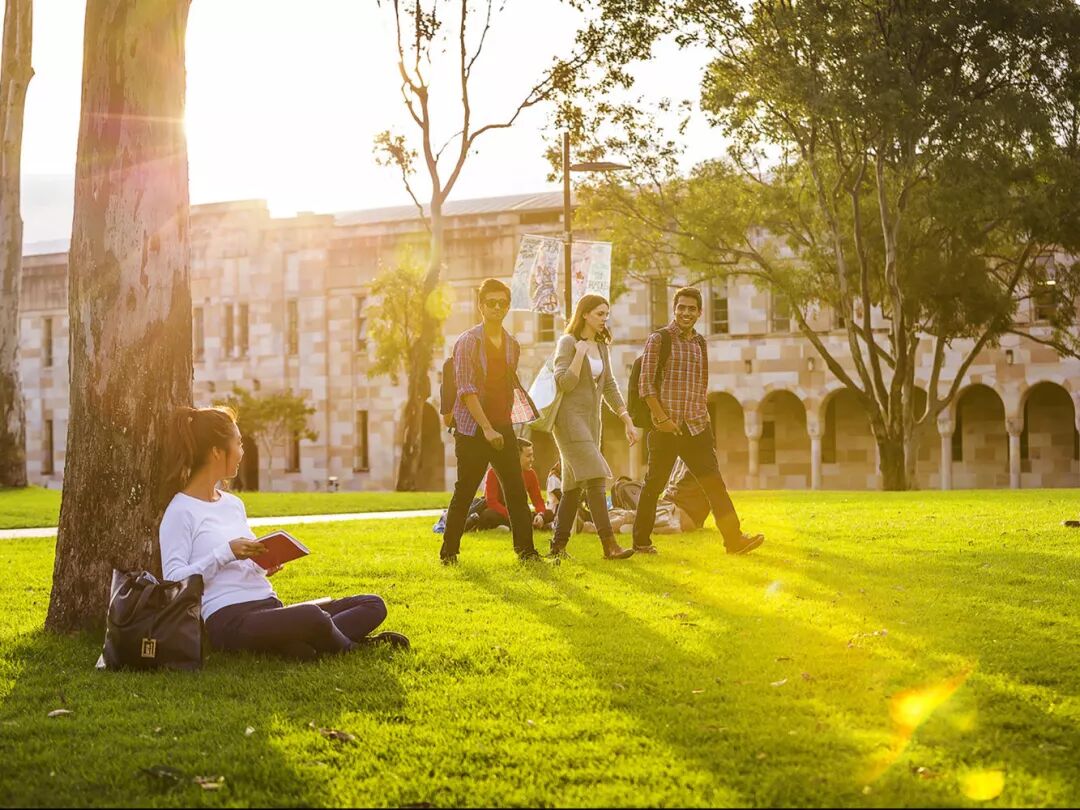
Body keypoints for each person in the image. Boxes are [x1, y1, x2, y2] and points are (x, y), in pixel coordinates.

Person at [159, 406, 409, 660]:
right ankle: (350, 648)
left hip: (270, 607)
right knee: (310, 616)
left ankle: (302, 645)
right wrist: (226, 552)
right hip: (229, 619)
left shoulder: (233, 504)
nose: (242, 452)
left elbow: (245, 563)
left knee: (372, 604)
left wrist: (263, 565)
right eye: (238, 443)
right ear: (216, 452)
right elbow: (173, 584)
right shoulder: (181, 511)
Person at [631, 286, 765, 555]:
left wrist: (703, 419)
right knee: (654, 485)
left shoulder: (700, 343)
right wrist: (662, 419)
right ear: (674, 308)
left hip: (695, 427)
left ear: (700, 312)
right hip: (666, 428)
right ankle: (641, 542)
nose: (686, 313)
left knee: (714, 483)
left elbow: (702, 384)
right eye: (681, 307)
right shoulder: (659, 339)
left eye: (692, 309)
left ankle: (734, 539)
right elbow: (645, 386)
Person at [440, 278, 545, 564]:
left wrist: (505, 423)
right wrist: (486, 428)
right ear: (480, 306)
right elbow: (466, 390)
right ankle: (448, 553)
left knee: (515, 489)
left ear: (508, 307)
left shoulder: (512, 344)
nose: (497, 308)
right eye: (491, 303)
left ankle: (526, 552)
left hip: (503, 427)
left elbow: (507, 385)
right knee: (464, 492)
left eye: (502, 303)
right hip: (473, 429)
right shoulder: (467, 343)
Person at [549, 294, 638, 560]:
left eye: (606, 315)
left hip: (590, 423)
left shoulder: (602, 347)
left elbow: (609, 386)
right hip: (568, 421)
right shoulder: (567, 342)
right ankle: (609, 545)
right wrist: (578, 354)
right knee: (597, 477)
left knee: (572, 488)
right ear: (585, 314)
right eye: (599, 314)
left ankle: (557, 547)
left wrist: (626, 419)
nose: (604, 319)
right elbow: (564, 382)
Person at [470, 438, 554, 531]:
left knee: (549, 513)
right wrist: (513, 516)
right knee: (488, 515)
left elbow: (537, 500)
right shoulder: (494, 472)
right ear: (516, 456)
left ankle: (513, 526)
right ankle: (526, 526)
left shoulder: (531, 474)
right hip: (500, 512)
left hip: (519, 513)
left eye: (532, 456)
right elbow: (491, 502)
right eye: (528, 456)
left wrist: (540, 515)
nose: (532, 459)